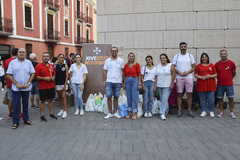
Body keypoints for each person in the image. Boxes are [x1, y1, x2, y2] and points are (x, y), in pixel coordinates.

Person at [6, 48, 35, 129]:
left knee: (25, 104)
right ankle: (15, 122)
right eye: (20, 52)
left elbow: (33, 73)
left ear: (25, 53)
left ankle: (26, 119)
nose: (21, 53)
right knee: (15, 105)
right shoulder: (12, 62)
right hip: (16, 88)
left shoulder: (28, 62)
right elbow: (8, 74)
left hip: (26, 87)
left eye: (23, 52)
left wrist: (28, 83)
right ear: (17, 53)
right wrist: (16, 84)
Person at [172, 42, 196, 117]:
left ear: (186, 47)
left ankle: (189, 110)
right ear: (179, 48)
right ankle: (180, 110)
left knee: (189, 94)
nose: (183, 48)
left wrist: (188, 72)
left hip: (189, 77)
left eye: (184, 46)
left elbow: (194, 67)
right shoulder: (177, 56)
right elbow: (173, 67)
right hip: (179, 78)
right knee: (179, 94)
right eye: (182, 46)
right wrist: (179, 72)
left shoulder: (190, 56)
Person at [35, 52, 58, 122]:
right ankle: (42, 115)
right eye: (44, 56)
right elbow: (36, 77)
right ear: (42, 57)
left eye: (47, 56)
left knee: (51, 100)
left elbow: (54, 74)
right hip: (43, 87)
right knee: (43, 101)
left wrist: (53, 77)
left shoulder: (51, 66)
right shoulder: (38, 66)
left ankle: (51, 114)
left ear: (49, 58)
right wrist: (45, 78)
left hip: (51, 86)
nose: (46, 57)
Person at [103, 47, 124, 119]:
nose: (114, 52)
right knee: (109, 97)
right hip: (109, 81)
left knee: (116, 97)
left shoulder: (121, 60)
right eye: (113, 51)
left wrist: (123, 81)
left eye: (115, 51)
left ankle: (115, 112)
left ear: (117, 52)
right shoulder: (107, 60)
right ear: (111, 52)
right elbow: (104, 71)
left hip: (118, 82)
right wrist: (104, 81)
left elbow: (123, 71)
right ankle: (109, 113)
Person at [215, 49, 237, 118]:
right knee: (220, 98)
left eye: (224, 54)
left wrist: (229, 78)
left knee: (230, 98)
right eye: (222, 54)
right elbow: (216, 74)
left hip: (229, 84)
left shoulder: (231, 63)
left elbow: (234, 73)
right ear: (220, 55)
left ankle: (231, 112)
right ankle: (221, 111)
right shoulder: (217, 64)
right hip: (220, 84)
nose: (223, 55)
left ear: (227, 55)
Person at [194, 53, 217, 118]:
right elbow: (195, 74)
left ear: (208, 58)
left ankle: (211, 111)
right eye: (203, 57)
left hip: (210, 84)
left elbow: (216, 74)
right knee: (202, 99)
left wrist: (209, 76)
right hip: (201, 84)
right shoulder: (198, 66)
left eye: (205, 57)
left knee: (211, 99)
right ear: (201, 58)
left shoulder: (212, 65)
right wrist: (202, 78)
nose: (204, 58)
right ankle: (203, 111)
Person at [4, 48, 23, 118]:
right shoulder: (19, 61)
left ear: (11, 53)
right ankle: (19, 113)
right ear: (17, 53)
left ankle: (10, 113)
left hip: (9, 82)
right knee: (18, 99)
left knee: (10, 98)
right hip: (18, 82)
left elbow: (5, 73)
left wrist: (6, 81)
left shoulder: (6, 61)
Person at [156, 54, 176, 120]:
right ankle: (166, 110)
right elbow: (156, 76)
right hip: (159, 85)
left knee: (164, 99)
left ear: (166, 59)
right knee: (162, 99)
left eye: (163, 58)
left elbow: (173, 75)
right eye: (161, 58)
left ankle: (162, 113)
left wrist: (172, 84)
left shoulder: (170, 65)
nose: (162, 59)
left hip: (167, 85)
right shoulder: (158, 66)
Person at [124, 52, 141, 120]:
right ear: (128, 57)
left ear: (134, 57)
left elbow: (139, 74)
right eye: (130, 56)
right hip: (128, 80)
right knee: (129, 97)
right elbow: (125, 75)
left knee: (135, 97)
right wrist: (124, 83)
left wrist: (139, 83)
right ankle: (130, 112)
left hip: (135, 80)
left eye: (132, 56)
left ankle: (135, 113)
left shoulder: (137, 64)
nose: (131, 57)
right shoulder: (126, 65)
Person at [55, 54, 68, 118]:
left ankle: (65, 111)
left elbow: (67, 76)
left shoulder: (65, 66)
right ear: (58, 58)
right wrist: (54, 85)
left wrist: (65, 84)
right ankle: (61, 110)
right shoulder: (55, 66)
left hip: (63, 84)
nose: (61, 59)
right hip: (57, 84)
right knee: (59, 97)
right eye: (60, 58)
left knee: (64, 97)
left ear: (64, 59)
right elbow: (54, 76)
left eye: (62, 58)